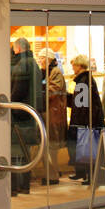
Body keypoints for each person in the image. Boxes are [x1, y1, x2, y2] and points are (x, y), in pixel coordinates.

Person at [9, 36, 43, 195]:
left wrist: (8, 104)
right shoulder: (34, 63)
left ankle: (15, 187)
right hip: (31, 113)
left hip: (20, 115)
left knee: (15, 150)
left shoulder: (22, 64)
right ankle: (24, 185)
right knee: (25, 151)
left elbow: (18, 91)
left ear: (18, 49)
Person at [68, 54, 104, 182]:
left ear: (79, 66)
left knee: (87, 149)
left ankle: (90, 176)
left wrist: (79, 124)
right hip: (89, 120)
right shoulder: (86, 80)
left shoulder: (83, 81)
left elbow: (81, 104)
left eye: (74, 65)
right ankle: (85, 174)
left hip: (85, 122)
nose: (72, 68)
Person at [36, 49, 68, 185]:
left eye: (42, 58)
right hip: (46, 113)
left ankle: (53, 176)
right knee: (47, 147)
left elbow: (54, 91)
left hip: (53, 115)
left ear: (49, 59)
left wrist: (40, 92)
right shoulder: (44, 72)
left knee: (51, 147)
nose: (40, 60)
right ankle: (52, 173)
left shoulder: (55, 72)